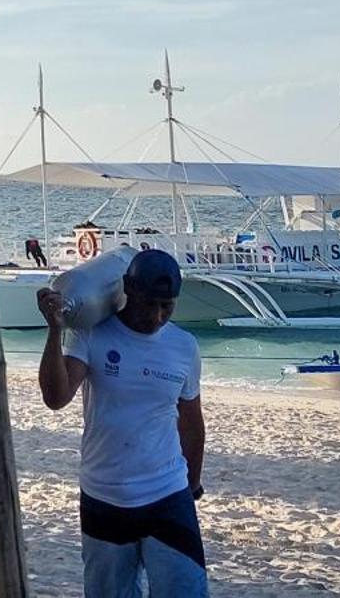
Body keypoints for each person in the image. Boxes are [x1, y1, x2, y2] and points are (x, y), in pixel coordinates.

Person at [37, 247, 208, 598]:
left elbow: (191, 423)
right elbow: (56, 397)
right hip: (104, 495)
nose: (158, 315)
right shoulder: (91, 334)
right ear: (129, 292)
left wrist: (191, 487)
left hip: (167, 493)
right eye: (150, 304)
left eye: (167, 306)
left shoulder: (184, 346)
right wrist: (55, 332)